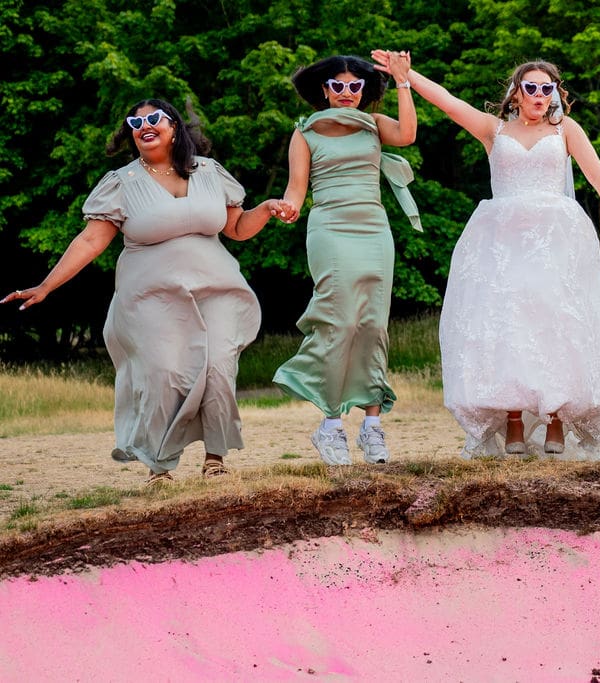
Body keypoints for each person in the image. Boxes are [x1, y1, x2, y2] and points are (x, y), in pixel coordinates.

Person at [2, 99, 289, 485]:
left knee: (219, 366)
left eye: (153, 118)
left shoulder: (209, 172)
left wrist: (267, 209)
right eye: (135, 122)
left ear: (174, 127)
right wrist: (46, 286)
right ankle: (159, 467)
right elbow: (90, 241)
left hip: (215, 288)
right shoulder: (123, 182)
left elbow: (236, 228)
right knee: (164, 371)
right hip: (151, 297)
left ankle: (215, 460)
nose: (144, 125)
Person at [386, 52, 600, 460]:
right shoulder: (494, 130)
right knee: (508, 325)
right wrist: (405, 75)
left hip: (556, 240)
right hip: (502, 242)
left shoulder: (566, 130)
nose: (539, 95)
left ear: (556, 93)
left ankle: (556, 418)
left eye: (547, 88)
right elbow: (449, 102)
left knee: (558, 323)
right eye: (531, 88)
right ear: (517, 94)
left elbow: (599, 178)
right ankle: (514, 419)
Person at [272, 52, 418, 466]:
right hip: (330, 228)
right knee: (341, 321)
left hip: (373, 228)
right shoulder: (305, 132)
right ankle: (331, 425)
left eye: (356, 86)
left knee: (372, 323)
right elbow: (296, 190)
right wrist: (286, 208)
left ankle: (372, 427)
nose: (347, 92)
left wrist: (403, 81)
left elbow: (406, 134)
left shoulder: (373, 125)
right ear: (325, 90)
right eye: (339, 85)